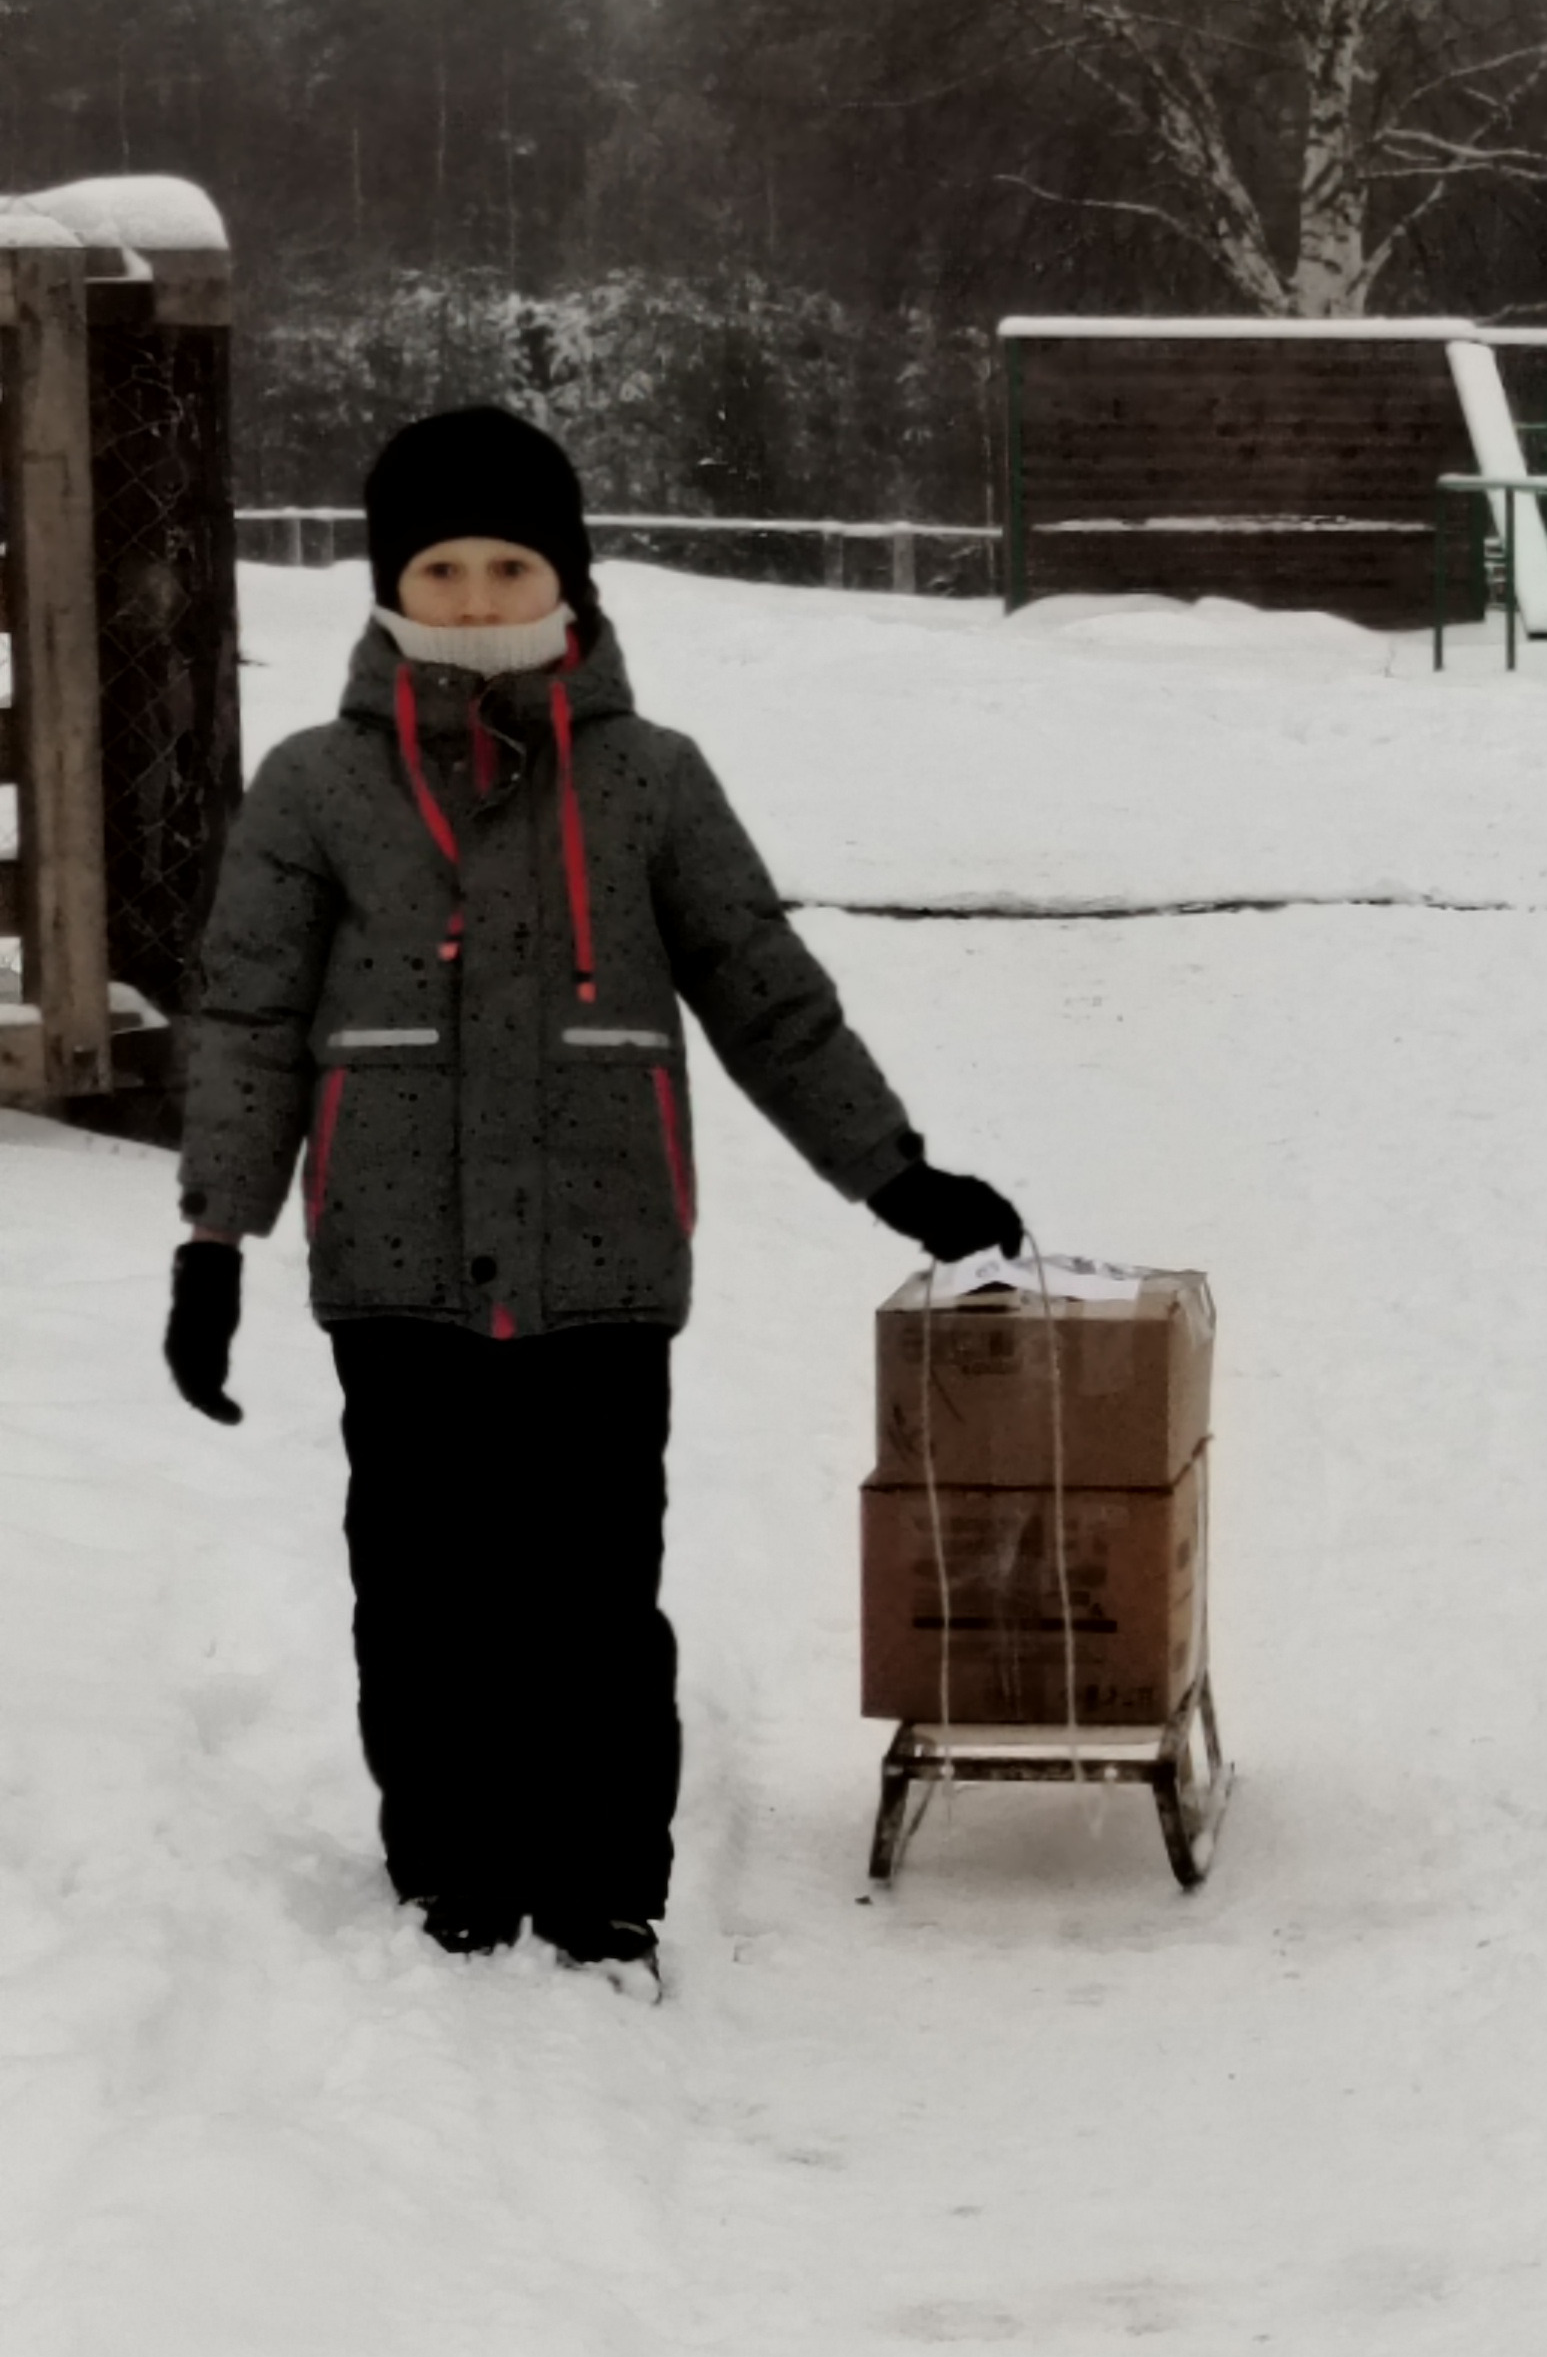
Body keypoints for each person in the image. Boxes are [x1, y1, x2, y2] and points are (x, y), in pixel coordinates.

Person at [162, 405, 1023, 1989]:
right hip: (395, 1266)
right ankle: (453, 1862)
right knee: (422, 1586)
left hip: (603, 1261)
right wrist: (215, 1238)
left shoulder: (650, 781)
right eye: (443, 567)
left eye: (511, 565)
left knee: (593, 1590)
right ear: (388, 581)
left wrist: (896, 1175)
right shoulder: (317, 786)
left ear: (566, 577)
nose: (477, 597)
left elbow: (765, 994)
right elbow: (247, 1018)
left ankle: (602, 1884)